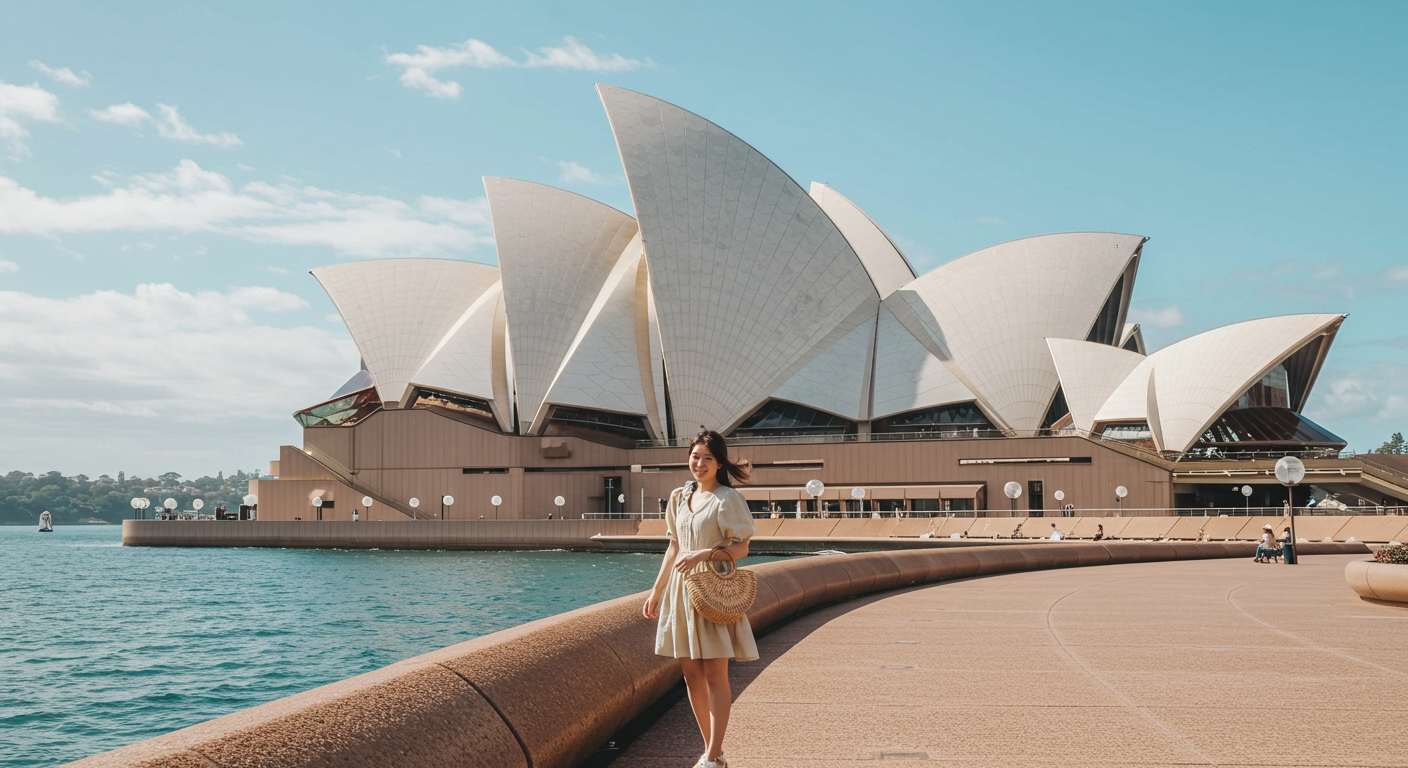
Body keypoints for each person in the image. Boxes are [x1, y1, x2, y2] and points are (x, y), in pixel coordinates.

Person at [644, 429, 757, 768]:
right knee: (691, 673)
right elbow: (674, 546)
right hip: (681, 590)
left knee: (715, 675)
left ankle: (710, 755)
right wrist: (657, 589)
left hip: (711, 589)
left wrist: (705, 555)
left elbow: (743, 548)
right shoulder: (680, 497)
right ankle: (714, 752)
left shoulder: (726, 499)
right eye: (695, 456)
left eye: (708, 458)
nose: (700, 463)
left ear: (719, 463)